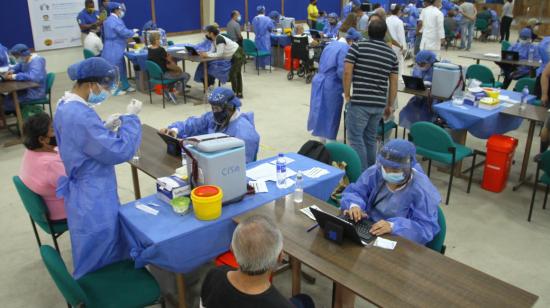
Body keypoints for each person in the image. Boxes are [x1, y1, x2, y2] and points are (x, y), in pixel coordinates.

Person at [54, 57, 142, 279]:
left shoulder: (65, 104)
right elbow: (118, 151)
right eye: (104, 85)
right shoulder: (79, 115)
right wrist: (130, 119)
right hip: (93, 191)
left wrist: (103, 128)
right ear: (89, 84)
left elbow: (80, 141)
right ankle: (106, 286)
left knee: (92, 240)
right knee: (102, 241)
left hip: (81, 185)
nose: (106, 90)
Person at [335, 139, 440, 308]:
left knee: (385, 285)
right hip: (368, 228)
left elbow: (426, 228)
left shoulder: (421, 189)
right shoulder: (376, 172)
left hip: (397, 241)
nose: (388, 172)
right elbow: (356, 191)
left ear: (409, 167)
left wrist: (394, 226)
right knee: (345, 267)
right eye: (385, 167)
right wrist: (354, 206)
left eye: (395, 169)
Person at [200, 215, 314, 308]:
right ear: (279, 258)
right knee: (305, 300)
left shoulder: (214, 275)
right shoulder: (281, 304)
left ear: (232, 250)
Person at [343, 19, 398, 170]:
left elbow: (347, 72)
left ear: (367, 31)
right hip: (379, 104)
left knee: (355, 139)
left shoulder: (357, 47)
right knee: (370, 139)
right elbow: (394, 82)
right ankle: (371, 173)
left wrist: (347, 95)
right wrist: (390, 105)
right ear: (385, 34)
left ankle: (361, 175)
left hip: (360, 102)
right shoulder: (392, 55)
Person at [160, 87, 259, 163]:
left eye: (217, 108)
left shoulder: (245, 134)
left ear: (230, 107)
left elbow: (243, 167)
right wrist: (174, 130)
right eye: (212, 107)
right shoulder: (212, 118)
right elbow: (193, 124)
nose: (214, 112)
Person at [307, 28, 361, 143]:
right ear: (351, 41)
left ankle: (322, 142)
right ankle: (331, 145)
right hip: (332, 85)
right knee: (332, 115)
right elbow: (342, 72)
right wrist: (353, 80)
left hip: (319, 80)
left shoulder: (331, 44)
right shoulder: (345, 49)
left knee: (322, 113)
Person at [19, 113, 66, 221]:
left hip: (43, 208)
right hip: (62, 211)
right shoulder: (50, 165)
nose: (56, 132)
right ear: (42, 139)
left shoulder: (31, 151)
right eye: (52, 130)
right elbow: (74, 189)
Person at [102, 2, 138, 95]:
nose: (122, 12)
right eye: (121, 10)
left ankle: (125, 85)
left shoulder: (114, 19)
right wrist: (132, 32)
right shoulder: (112, 21)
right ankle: (114, 90)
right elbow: (122, 31)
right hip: (113, 48)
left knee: (121, 67)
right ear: (117, 10)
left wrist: (130, 33)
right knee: (115, 69)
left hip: (116, 46)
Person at [399, 50, 439, 129]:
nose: (420, 66)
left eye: (423, 64)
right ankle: (414, 132)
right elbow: (415, 80)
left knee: (424, 117)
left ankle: (422, 133)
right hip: (419, 99)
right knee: (406, 112)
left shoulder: (438, 70)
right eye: (419, 63)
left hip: (432, 101)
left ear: (431, 61)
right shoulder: (418, 67)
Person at [2, 44, 47, 112]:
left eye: (17, 56)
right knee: (8, 98)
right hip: (27, 88)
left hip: (35, 92)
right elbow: (18, 67)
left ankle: (20, 117)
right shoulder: (25, 60)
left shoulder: (37, 61)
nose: (17, 59)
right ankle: (17, 113)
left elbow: (34, 77)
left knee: (9, 103)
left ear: (24, 54)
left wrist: (14, 76)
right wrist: (11, 71)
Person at [147, 32, 190, 103]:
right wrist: (170, 57)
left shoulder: (149, 50)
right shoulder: (160, 50)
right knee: (186, 75)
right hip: (164, 75)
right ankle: (175, 93)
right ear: (155, 41)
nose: (159, 40)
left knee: (173, 75)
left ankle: (168, 91)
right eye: (158, 39)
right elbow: (169, 61)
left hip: (156, 75)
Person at [195, 24, 239, 91]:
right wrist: (205, 53)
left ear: (211, 33)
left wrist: (207, 55)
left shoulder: (219, 38)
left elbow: (219, 54)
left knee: (235, 73)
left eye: (207, 32)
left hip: (237, 54)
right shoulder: (214, 39)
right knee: (206, 67)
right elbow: (212, 51)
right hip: (229, 55)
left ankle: (237, 92)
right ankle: (209, 85)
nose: (206, 34)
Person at [386, 4, 407, 82]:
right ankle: (400, 78)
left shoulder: (386, 19)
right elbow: (401, 36)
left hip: (388, 45)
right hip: (397, 47)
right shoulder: (399, 22)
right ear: (398, 11)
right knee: (399, 63)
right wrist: (404, 47)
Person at [252, 5, 274, 70]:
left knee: (258, 50)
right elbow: (271, 28)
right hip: (265, 39)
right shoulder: (267, 19)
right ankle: (267, 65)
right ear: (264, 11)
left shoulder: (254, 19)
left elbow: (253, 29)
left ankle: (259, 65)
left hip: (257, 39)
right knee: (266, 50)